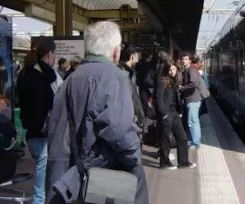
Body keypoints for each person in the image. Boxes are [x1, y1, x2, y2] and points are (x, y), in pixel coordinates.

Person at [45, 21, 149, 204]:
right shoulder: (114, 77)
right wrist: (134, 160)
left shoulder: (69, 80)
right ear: (116, 51)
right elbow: (120, 131)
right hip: (103, 182)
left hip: (69, 180)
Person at [16, 37, 60, 204]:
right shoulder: (43, 79)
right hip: (42, 135)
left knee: (41, 177)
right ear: (49, 54)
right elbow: (50, 104)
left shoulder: (24, 74)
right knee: (41, 185)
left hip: (31, 135)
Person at [155, 63, 196, 170]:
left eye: (173, 69)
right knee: (166, 139)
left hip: (175, 113)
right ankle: (164, 163)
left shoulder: (174, 80)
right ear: (165, 70)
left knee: (182, 137)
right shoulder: (162, 80)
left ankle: (183, 162)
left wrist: (179, 111)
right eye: (169, 70)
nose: (172, 72)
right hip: (166, 114)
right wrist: (164, 114)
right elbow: (158, 98)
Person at [118, 42, 145, 127]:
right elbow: (133, 96)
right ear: (132, 56)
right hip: (127, 118)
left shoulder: (119, 70)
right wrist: (140, 116)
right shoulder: (126, 73)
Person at [180, 53, 202, 150]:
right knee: (193, 121)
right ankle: (195, 141)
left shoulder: (191, 70)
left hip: (193, 99)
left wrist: (182, 88)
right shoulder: (186, 70)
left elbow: (193, 84)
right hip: (190, 99)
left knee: (192, 122)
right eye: (182, 59)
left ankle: (195, 143)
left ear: (189, 61)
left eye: (186, 59)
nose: (183, 60)